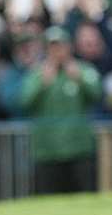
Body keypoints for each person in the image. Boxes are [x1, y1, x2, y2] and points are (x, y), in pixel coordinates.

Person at [20, 27, 103, 194]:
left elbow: (97, 94)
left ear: (69, 47)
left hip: (79, 148)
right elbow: (24, 101)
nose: (57, 51)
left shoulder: (83, 70)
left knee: (83, 198)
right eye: (52, 47)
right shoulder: (37, 74)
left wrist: (79, 79)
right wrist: (42, 84)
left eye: (60, 46)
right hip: (47, 150)